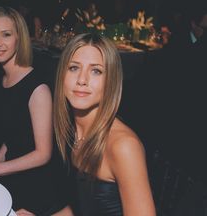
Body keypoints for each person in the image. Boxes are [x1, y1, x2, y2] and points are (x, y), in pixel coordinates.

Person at [0, 6, 73, 215]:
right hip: (13, 177)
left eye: (6, 35)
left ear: (20, 37)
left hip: (38, 187)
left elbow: (43, 154)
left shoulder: (38, 88)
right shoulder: (2, 79)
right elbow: (12, 139)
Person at [53, 33, 156, 215]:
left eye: (96, 71)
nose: (82, 80)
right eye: (74, 68)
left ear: (111, 81)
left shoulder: (124, 146)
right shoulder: (73, 131)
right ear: (62, 74)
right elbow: (81, 208)